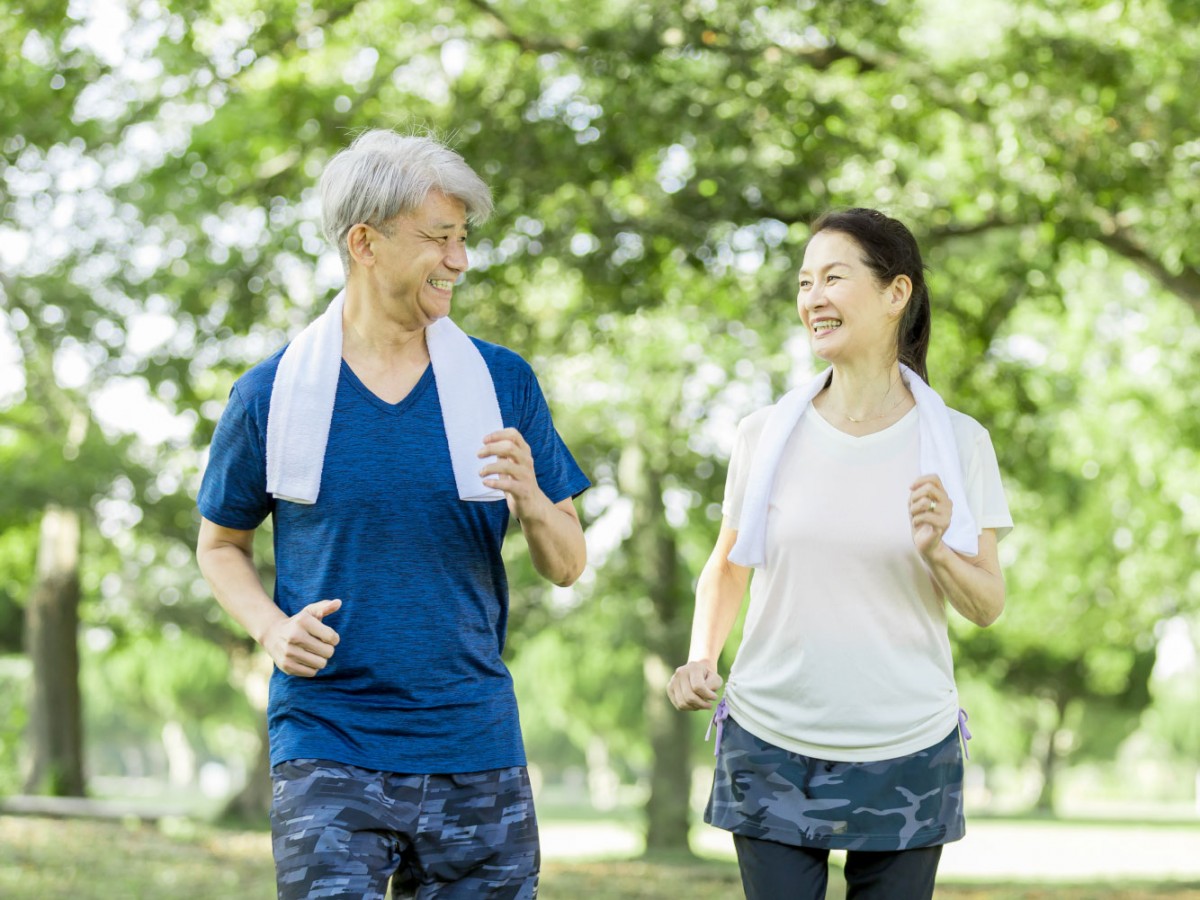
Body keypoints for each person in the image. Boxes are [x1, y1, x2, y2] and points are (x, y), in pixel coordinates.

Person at [196, 129, 589, 899]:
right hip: (327, 736)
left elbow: (569, 564)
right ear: (365, 243)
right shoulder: (270, 394)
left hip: (474, 739)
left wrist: (534, 502)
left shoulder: (502, 384)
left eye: (464, 238)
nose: (460, 260)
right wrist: (272, 630)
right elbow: (220, 545)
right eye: (440, 238)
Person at [667, 208, 1012, 900]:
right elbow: (728, 567)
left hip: (908, 749)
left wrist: (940, 550)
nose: (813, 298)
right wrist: (701, 659)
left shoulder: (958, 443)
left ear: (896, 294)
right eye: (804, 283)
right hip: (771, 742)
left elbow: (987, 605)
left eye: (833, 278)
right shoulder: (764, 435)